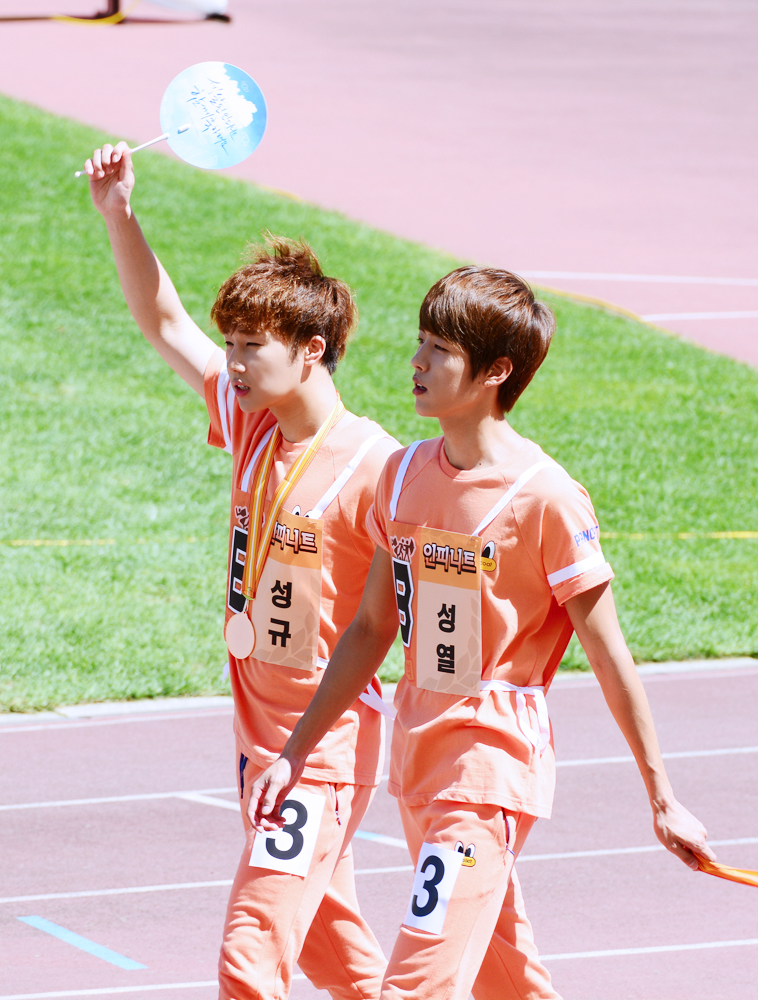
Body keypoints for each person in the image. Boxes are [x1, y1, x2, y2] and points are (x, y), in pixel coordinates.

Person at [246, 266, 714, 1000]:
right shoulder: (402, 475)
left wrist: (662, 797)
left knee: (416, 982)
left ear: (495, 372)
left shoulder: (547, 499)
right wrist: (295, 752)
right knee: (507, 979)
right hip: (419, 762)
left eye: (439, 350)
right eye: (420, 342)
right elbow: (371, 628)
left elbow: (608, 655)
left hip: (488, 772)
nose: (416, 362)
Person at [83, 141, 399, 1000]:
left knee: (251, 950)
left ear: (312, 349)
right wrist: (119, 213)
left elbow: (399, 618)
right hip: (257, 734)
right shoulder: (253, 421)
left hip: (321, 744)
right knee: (334, 949)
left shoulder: (378, 467)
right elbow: (164, 323)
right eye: (231, 342)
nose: (232, 360)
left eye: (252, 344)